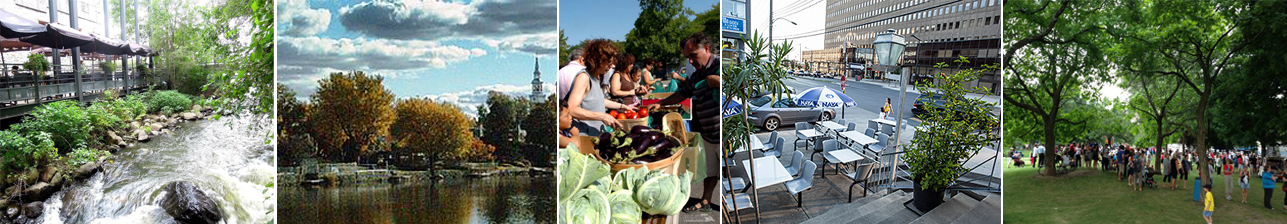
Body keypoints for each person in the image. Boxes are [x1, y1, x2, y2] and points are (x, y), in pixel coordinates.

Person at [646, 32, 719, 213]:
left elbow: (737, 85)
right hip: (707, 134)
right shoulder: (695, 75)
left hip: (722, 132)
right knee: (710, 172)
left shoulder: (719, 64)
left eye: (693, 56)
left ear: (706, 49)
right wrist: (660, 103)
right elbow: (683, 93)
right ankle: (706, 200)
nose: (691, 61)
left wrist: (717, 81)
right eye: (688, 58)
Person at [563, 39, 635, 137]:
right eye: (608, 63)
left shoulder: (596, 77)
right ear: (597, 61)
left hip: (596, 136)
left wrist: (623, 106)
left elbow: (599, 100)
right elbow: (571, 108)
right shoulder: (584, 77)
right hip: (585, 138)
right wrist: (602, 116)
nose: (611, 66)